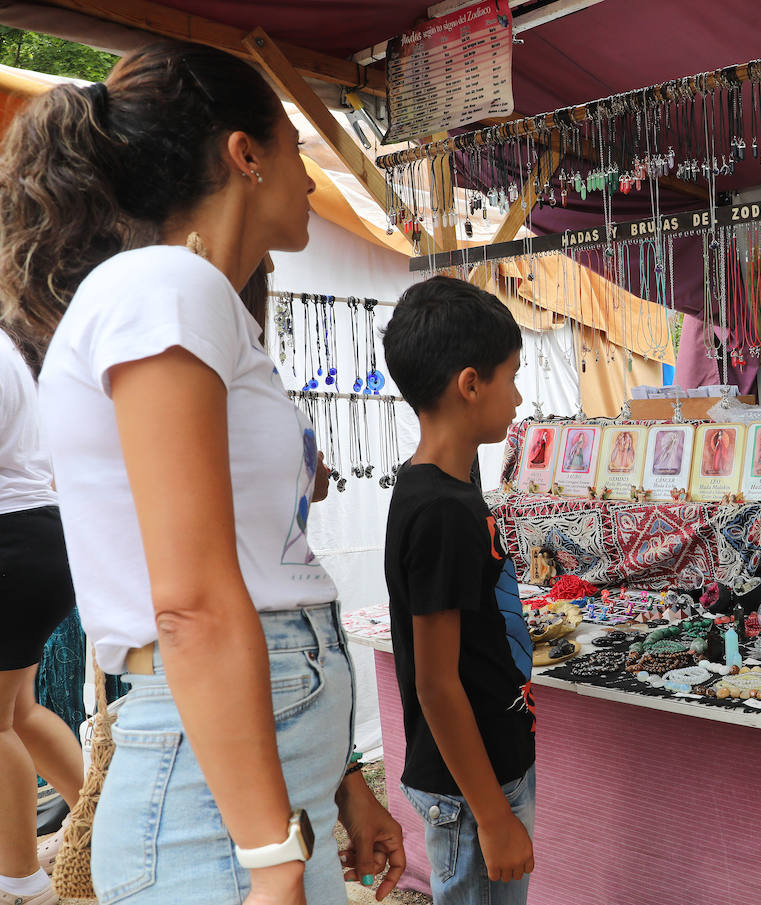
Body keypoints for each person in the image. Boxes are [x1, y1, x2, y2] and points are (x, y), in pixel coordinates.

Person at [0, 42, 403, 905]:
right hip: (213, 803)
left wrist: (342, 784)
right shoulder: (161, 286)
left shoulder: (191, 299)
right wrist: (271, 858)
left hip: (251, 773)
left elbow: (262, 571)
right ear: (243, 154)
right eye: (295, 147)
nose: (307, 176)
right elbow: (190, 603)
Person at [381, 277, 536, 905]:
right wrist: (495, 817)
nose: (520, 396)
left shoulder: (442, 486)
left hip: (484, 774)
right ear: (470, 385)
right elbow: (436, 683)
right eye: (511, 377)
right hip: (473, 796)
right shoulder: (442, 510)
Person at [0, 329, 85, 905]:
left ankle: (22, 882)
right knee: (20, 712)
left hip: (12, 539)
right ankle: (104, 822)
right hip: (38, 533)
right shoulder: (8, 345)